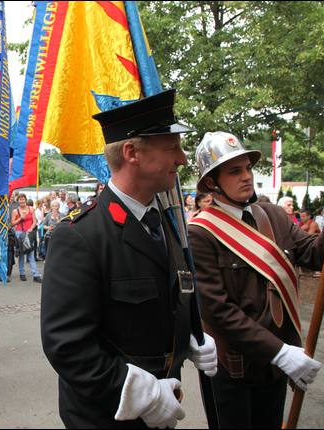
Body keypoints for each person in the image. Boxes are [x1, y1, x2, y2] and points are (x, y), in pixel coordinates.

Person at [41, 89, 218, 428]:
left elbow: (162, 304)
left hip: (164, 403)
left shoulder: (164, 221)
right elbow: (67, 346)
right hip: (107, 415)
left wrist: (188, 339)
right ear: (132, 152)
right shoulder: (80, 235)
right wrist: (144, 394)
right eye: (172, 147)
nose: (182, 159)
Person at [188, 131, 324, 428]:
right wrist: (279, 352)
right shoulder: (200, 233)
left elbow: (315, 256)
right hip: (235, 367)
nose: (246, 176)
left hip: (276, 365)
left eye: (248, 168)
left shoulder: (273, 215)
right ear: (211, 182)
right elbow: (217, 310)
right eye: (234, 171)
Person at [11, 193, 42, 283]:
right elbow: (12, 223)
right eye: (20, 199)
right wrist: (21, 218)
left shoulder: (31, 209)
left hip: (29, 233)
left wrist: (31, 228)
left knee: (30, 253)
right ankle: (22, 273)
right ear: (18, 201)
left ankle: (35, 275)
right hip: (19, 233)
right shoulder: (15, 211)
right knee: (21, 253)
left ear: (25, 200)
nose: (22, 201)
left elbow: (35, 221)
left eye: (23, 199)